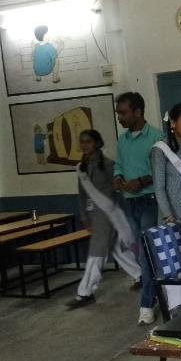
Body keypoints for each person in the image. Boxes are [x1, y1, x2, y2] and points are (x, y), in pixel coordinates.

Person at [66, 130, 141, 309]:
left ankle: (85, 292)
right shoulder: (82, 168)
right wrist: (84, 215)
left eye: (88, 141)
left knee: (96, 252)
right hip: (93, 213)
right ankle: (141, 275)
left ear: (98, 143)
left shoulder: (109, 165)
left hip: (108, 213)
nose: (84, 145)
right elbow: (82, 194)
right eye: (82, 142)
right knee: (116, 248)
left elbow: (116, 191)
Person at [112, 91, 161, 325]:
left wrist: (141, 181)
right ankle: (156, 293)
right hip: (129, 202)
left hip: (150, 201)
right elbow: (119, 165)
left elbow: (161, 171)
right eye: (118, 113)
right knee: (141, 253)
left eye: (123, 113)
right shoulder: (122, 140)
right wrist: (118, 177)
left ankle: (147, 303)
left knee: (146, 253)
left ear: (138, 112)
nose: (119, 117)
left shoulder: (156, 137)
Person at [151, 103, 181, 224]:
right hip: (171, 218)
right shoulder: (160, 150)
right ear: (173, 123)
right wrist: (168, 217)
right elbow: (159, 188)